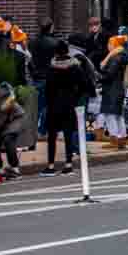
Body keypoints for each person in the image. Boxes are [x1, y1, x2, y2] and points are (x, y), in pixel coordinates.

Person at [41, 35, 96, 175]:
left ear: (56, 52)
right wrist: (76, 97)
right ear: (67, 51)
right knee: (67, 134)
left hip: (53, 104)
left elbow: (47, 88)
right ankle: (68, 163)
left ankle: (51, 165)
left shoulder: (51, 67)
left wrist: (48, 101)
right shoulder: (74, 67)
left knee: (52, 135)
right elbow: (84, 85)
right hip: (69, 102)